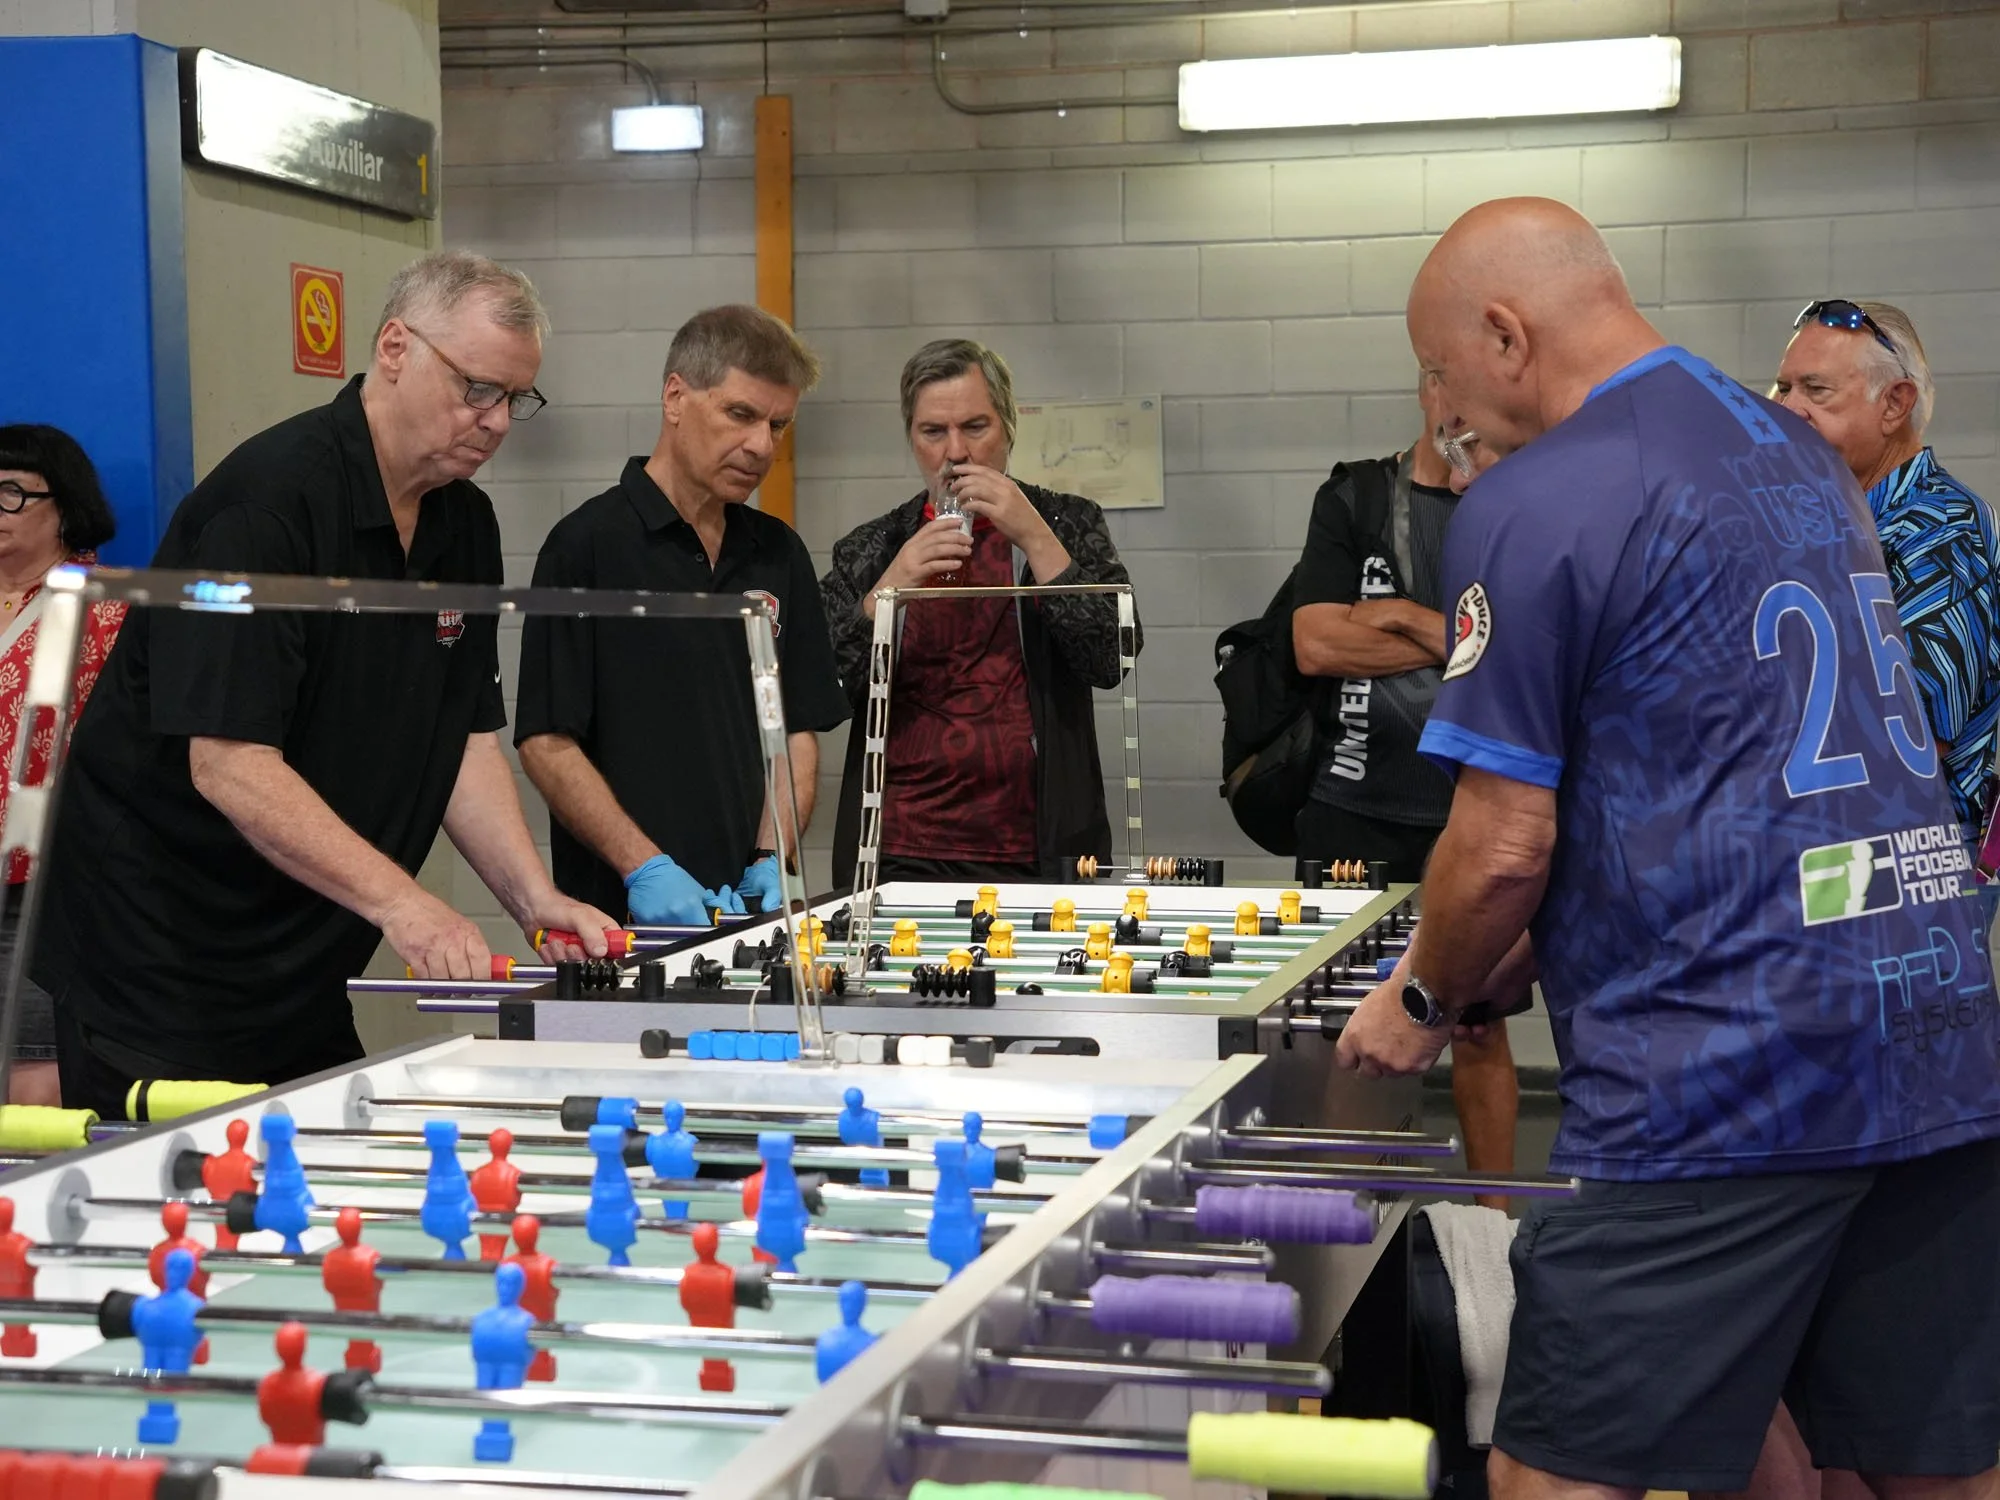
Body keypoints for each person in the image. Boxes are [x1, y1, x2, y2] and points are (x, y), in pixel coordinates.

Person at [1337, 198, 2000, 1498]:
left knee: (1558, 1475)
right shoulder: (1800, 450)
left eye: (1441, 369)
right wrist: (1543, 933)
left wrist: (1424, 996)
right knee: (1904, 1471)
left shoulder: (1539, 497)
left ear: (1506, 333)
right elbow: (1723, 758)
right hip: (1932, 1041)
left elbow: (1504, 837)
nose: (1444, 406)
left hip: (1718, 1075)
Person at [33, 251, 618, 1119]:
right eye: (476, 389)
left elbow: (459, 737)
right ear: (394, 348)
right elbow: (229, 763)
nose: (495, 422)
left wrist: (533, 900)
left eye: (514, 399)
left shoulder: (466, 523)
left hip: (300, 958)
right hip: (160, 960)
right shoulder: (265, 506)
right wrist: (408, 908)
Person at [516, 306, 848, 927]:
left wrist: (772, 855)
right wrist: (642, 865)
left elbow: (796, 732)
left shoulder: (779, 554)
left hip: (749, 918)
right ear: (675, 397)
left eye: (778, 425)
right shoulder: (586, 546)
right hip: (621, 923)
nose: (760, 446)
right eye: (740, 414)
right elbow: (547, 740)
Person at [1290, 381, 1518, 1206]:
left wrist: (1409, 622)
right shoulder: (1356, 493)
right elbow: (1315, 643)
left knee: (1479, 1025)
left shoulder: (1509, 494)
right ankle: (1357, 1221)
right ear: (1426, 383)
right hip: (1353, 805)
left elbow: (1510, 645)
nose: (1460, 411)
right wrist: (1460, 638)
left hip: (1467, 811)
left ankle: (1495, 1228)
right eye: (1444, 383)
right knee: (1350, 1029)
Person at [820, 338, 1141, 883]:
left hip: (1036, 847)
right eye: (933, 432)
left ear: (1009, 427)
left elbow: (1112, 660)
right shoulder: (874, 545)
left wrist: (1037, 539)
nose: (956, 453)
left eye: (975, 427)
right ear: (912, 439)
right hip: (899, 846)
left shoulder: (1067, 521)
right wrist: (891, 587)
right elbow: (823, 687)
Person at [1772, 299, 2000, 842]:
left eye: (1815, 389)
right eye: (1783, 388)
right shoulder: (1825, 520)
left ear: (1895, 405)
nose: (1786, 408)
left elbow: (1913, 737)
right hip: (1832, 842)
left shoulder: (1943, 529)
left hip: (1910, 860)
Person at [0, 427, 124, 1105]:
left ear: (65, 506)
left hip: (46, 885)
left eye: (11, 492)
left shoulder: (106, 610)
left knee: (33, 1083)